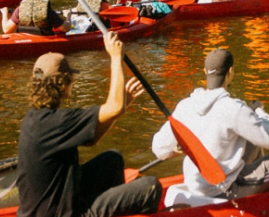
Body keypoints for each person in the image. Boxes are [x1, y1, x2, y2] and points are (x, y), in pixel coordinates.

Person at [15, 36, 161, 217]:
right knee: (150, 187)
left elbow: (93, 137)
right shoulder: (58, 121)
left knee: (112, 160)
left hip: (47, 210)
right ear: (64, 83)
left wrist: (123, 103)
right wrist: (116, 56)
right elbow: (114, 108)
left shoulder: (34, 119)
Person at [151, 48, 269, 207]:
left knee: (253, 141)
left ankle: (266, 194)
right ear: (230, 72)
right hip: (226, 190)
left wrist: (178, 149)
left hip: (197, 186)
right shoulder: (234, 108)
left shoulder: (185, 106)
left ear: (205, 72)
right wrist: (259, 111)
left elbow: (159, 149)